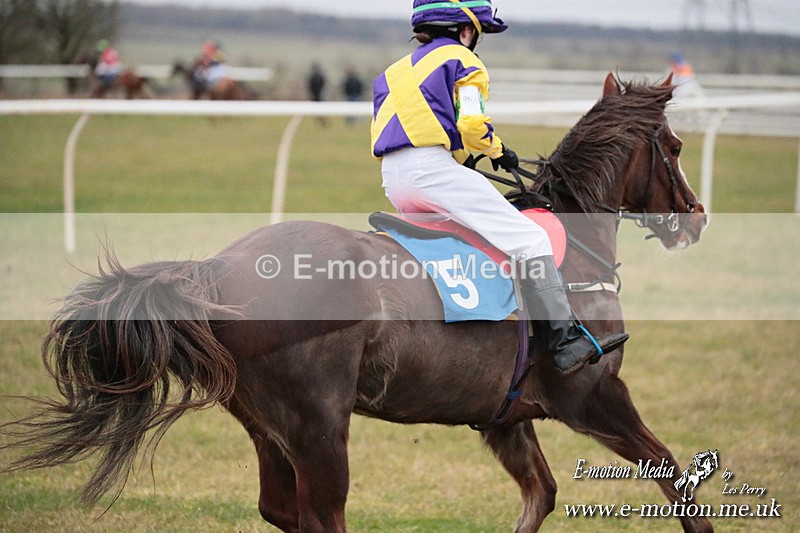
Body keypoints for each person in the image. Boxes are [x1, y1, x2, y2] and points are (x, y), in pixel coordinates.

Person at [370, 0, 628, 375]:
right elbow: (472, 124)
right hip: (431, 171)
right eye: (478, 33)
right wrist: (497, 150)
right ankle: (565, 342)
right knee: (531, 239)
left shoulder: (392, 72)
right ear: (466, 30)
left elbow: (415, 125)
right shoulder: (463, 60)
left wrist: (459, 158)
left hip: (394, 177)